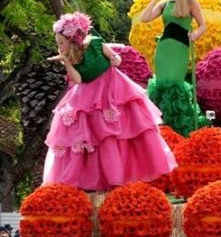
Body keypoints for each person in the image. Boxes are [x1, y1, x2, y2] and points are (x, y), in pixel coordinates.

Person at [43, 11, 177, 191]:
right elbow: (79, 79)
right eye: (57, 43)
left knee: (117, 131)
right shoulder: (71, 57)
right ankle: (93, 178)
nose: (58, 46)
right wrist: (66, 61)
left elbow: (115, 57)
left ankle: (120, 174)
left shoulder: (97, 44)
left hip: (113, 87)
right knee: (93, 133)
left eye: (61, 42)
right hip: (88, 94)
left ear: (74, 39)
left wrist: (116, 60)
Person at [140, 0, 207, 136]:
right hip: (163, 48)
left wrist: (195, 36)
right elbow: (145, 18)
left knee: (175, 85)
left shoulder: (191, 2)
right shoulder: (163, 4)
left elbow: (202, 26)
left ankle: (179, 131)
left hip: (180, 49)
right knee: (161, 85)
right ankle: (160, 130)